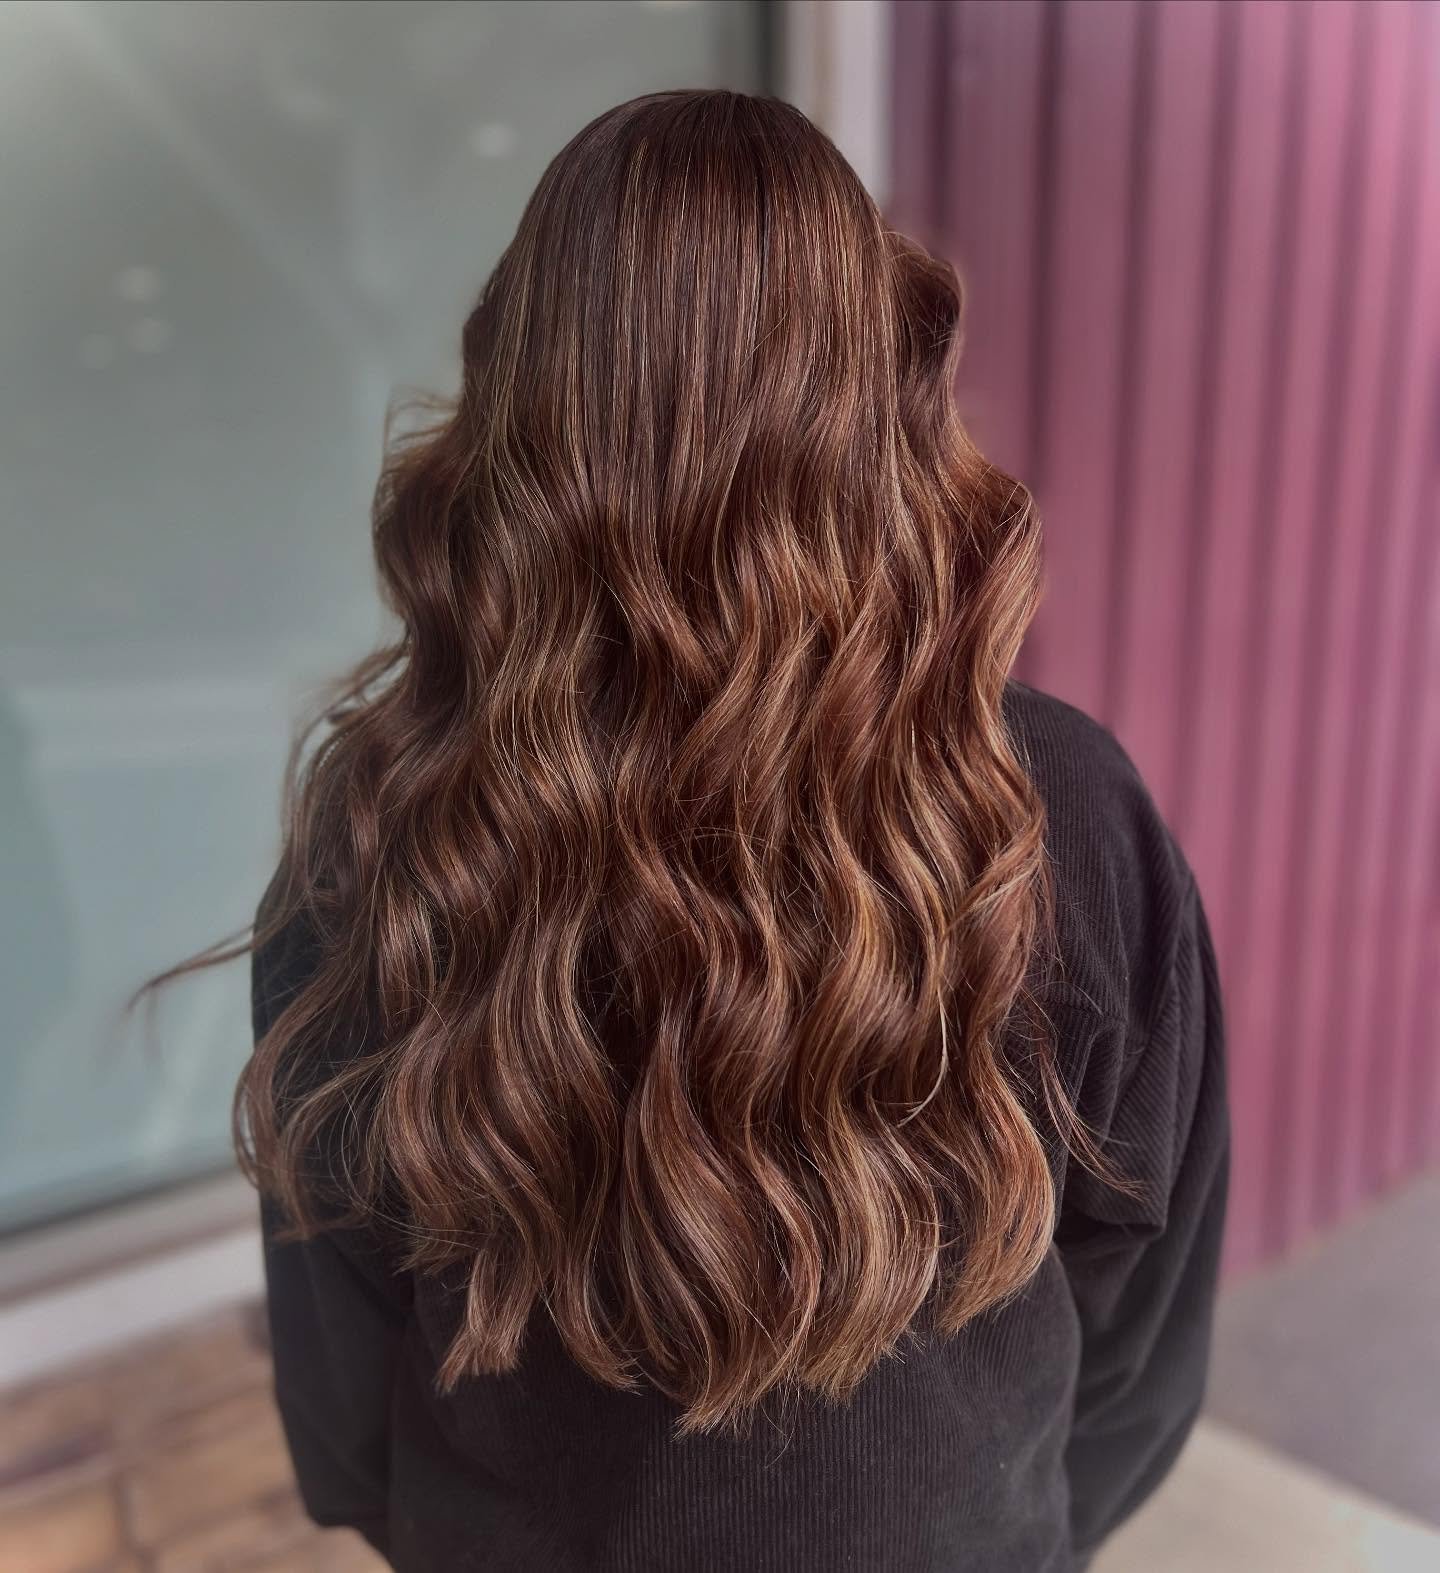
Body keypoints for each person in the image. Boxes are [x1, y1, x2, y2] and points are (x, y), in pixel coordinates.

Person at [193, 91, 1229, 1572]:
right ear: (886, 396)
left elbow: (346, 1397)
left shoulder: (384, 824)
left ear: (521, 408)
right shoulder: (1055, 807)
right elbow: (1141, 1327)